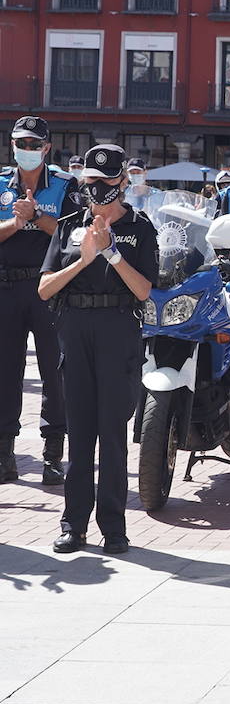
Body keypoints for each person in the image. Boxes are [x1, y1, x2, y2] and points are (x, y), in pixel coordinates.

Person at [38, 144, 157, 554]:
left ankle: (114, 526)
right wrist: (84, 260)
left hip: (117, 328)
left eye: (107, 181)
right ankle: (73, 524)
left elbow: (144, 290)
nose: (99, 188)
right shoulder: (70, 224)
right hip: (74, 327)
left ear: (123, 181)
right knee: (80, 433)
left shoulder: (141, 229)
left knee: (112, 433)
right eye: (92, 181)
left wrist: (112, 253)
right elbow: (44, 288)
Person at [0, 116, 78, 485]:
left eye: (34, 145)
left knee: (54, 372)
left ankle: (52, 455)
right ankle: (4, 453)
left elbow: (74, 236)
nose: (27, 151)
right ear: (12, 145)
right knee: (5, 373)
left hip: (49, 288)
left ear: (47, 148)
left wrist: (38, 218)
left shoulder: (65, 184)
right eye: (21, 144)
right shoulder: (0, 183)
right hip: (7, 289)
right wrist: (15, 224)